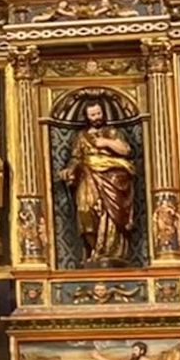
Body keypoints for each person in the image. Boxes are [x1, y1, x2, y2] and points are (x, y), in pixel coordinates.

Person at [62, 101, 137, 265]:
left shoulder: (112, 132)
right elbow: (76, 158)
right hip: (88, 176)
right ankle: (95, 250)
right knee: (86, 210)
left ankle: (112, 252)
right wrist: (69, 170)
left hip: (113, 178)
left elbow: (126, 150)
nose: (96, 117)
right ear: (87, 117)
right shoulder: (81, 137)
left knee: (109, 214)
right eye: (92, 115)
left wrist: (107, 142)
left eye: (98, 113)